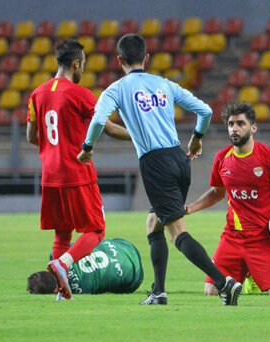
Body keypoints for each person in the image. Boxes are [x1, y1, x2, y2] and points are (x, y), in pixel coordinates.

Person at [78, 33, 242, 306]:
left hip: (155, 164)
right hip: (179, 159)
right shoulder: (164, 84)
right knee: (154, 223)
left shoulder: (116, 89)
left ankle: (224, 283)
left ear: (119, 60)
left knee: (177, 232)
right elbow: (204, 111)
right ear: (147, 58)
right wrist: (197, 138)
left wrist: (87, 147)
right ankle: (159, 291)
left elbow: (97, 121)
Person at [26, 39, 130, 300]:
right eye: (83, 63)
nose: (83, 68)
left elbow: (31, 135)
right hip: (76, 172)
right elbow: (107, 127)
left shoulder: (37, 94)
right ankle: (62, 265)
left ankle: (62, 288)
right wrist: (140, 137)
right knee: (96, 230)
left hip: (50, 175)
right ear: (76, 63)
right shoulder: (79, 93)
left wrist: (55, 147)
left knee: (63, 232)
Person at [187, 101, 270, 295]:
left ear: (253, 127)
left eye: (240, 124)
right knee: (211, 291)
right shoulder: (222, 158)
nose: (234, 129)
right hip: (232, 237)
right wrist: (189, 208)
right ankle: (248, 275)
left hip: (264, 238)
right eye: (230, 124)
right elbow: (217, 192)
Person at [27, 238, 144, 297]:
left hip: (134, 277)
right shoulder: (57, 256)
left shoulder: (76, 291)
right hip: (125, 247)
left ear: (54, 291)